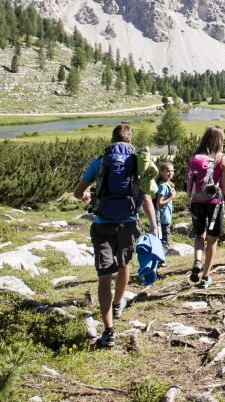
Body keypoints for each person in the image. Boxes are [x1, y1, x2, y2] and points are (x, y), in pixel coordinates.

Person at [73, 124, 157, 349]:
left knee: (103, 276)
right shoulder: (138, 162)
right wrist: (154, 227)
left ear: (112, 140)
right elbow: (148, 196)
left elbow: (78, 192)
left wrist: (88, 198)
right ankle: (118, 303)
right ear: (131, 140)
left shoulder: (99, 160)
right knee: (124, 264)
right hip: (129, 222)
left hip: (102, 223)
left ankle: (109, 330)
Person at [186, 126, 225, 288]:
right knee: (212, 241)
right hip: (214, 203)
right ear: (219, 141)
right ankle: (206, 276)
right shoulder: (222, 159)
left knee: (199, 235)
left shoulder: (195, 157)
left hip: (196, 202)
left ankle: (197, 261)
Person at [155, 161, 175, 256]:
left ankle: (160, 261)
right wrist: (171, 197)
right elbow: (159, 203)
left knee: (163, 241)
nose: (170, 173)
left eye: (172, 171)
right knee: (165, 242)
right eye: (167, 171)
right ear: (161, 172)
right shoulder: (163, 186)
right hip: (163, 219)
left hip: (165, 218)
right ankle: (161, 261)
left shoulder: (166, 184)